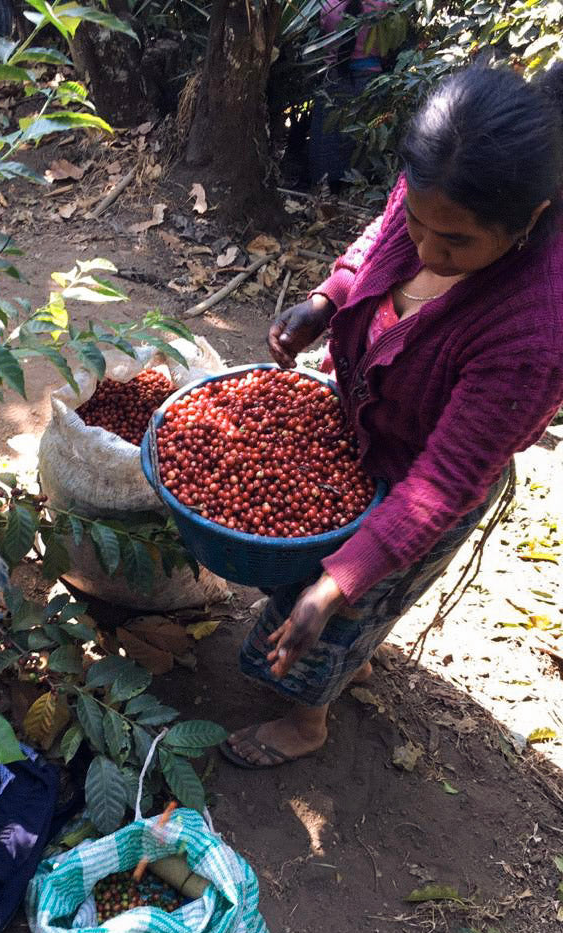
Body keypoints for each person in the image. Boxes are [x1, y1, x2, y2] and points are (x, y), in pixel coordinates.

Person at [221, 63, 563, 768]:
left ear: (528, 220)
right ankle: (350, 652)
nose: (429, 251)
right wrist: (327, 301)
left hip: (419, 480)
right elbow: (380, 240)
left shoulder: (533, 330)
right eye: (421, 223)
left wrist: (338, 585)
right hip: (366, 425)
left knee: (335, 606)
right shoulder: (439, 188)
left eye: (457, 244)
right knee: (327, 587)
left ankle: (305, 721)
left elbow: (444, 478)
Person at [307, 0, 392, 189]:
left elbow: (323, 40)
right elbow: (388, 45)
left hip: (334, 79)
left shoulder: (328, 5)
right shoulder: (382, 5)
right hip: (370, 81)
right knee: (364, 139)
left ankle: (325, 186)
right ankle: (362, 187)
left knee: (327, 140)